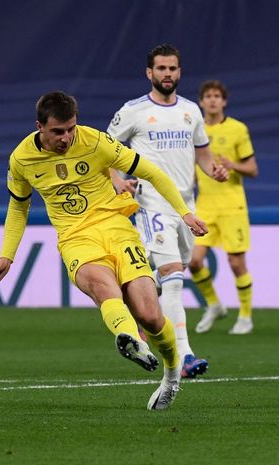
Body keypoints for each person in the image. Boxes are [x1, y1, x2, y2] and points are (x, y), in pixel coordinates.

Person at [0, 91, 208, 410]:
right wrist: (7, 256)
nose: (66, 137)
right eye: (58, 131)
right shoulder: (21, 159)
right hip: (76, 238)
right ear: (40, 127)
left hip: (117, 227)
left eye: (70, 129)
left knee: (150, 314)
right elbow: (18, 207)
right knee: (103, 287)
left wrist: (185, 212)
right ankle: (131, 340)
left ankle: (171, 375)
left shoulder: (95, 141)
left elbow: (152, 172)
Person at [107, 44, 228, 380]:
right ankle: (185, 354)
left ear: (179, 72)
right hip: (151, 204)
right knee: (174, 277)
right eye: (161, 69)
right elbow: (103, 151)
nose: (167, 74)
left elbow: (202, 154)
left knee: (165, 279)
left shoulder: (191, 111)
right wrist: (116, 179)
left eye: (172, 69)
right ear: (150, 73)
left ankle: (140, 314)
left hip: (186, 206)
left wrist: (214, 169)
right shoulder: (133, 111)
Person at [190, 80, 259, 335]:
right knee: (194, 261)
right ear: (201, 101)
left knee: (236, 262)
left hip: (232, 205)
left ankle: (245, 316)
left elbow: (252, 169)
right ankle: (214, 305)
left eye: (217, 96)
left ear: (224, 101)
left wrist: (233, 165)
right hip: (205, 205)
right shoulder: (194, 131)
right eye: (207, 96)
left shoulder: (237, 129)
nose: (212, 100)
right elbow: (192, 169)